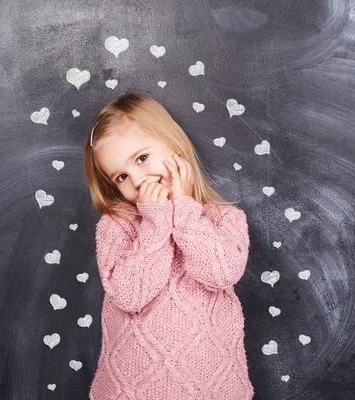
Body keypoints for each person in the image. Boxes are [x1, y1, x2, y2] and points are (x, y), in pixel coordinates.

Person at [83, 91, 254, 399]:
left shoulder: (223, 218)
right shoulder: (117, 225)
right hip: (134, 390)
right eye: (121, 176)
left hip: (210, 387)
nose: (136, 180)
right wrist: (156, 223)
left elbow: (221, 274)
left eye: (142, 158)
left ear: (174, 146)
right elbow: (131, 296)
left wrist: (185, 210)